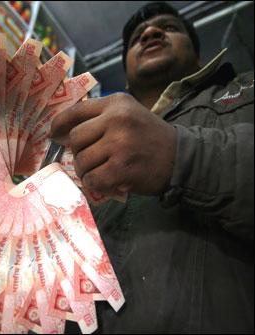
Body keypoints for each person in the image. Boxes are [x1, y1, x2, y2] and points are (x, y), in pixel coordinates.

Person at [51, 2, 254, 333]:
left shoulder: (248, 91)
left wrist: (179, 155)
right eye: (135, 38)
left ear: (199, 56)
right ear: (127, 78)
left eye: (170, 27)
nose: (150, 32)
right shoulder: (78, 148)